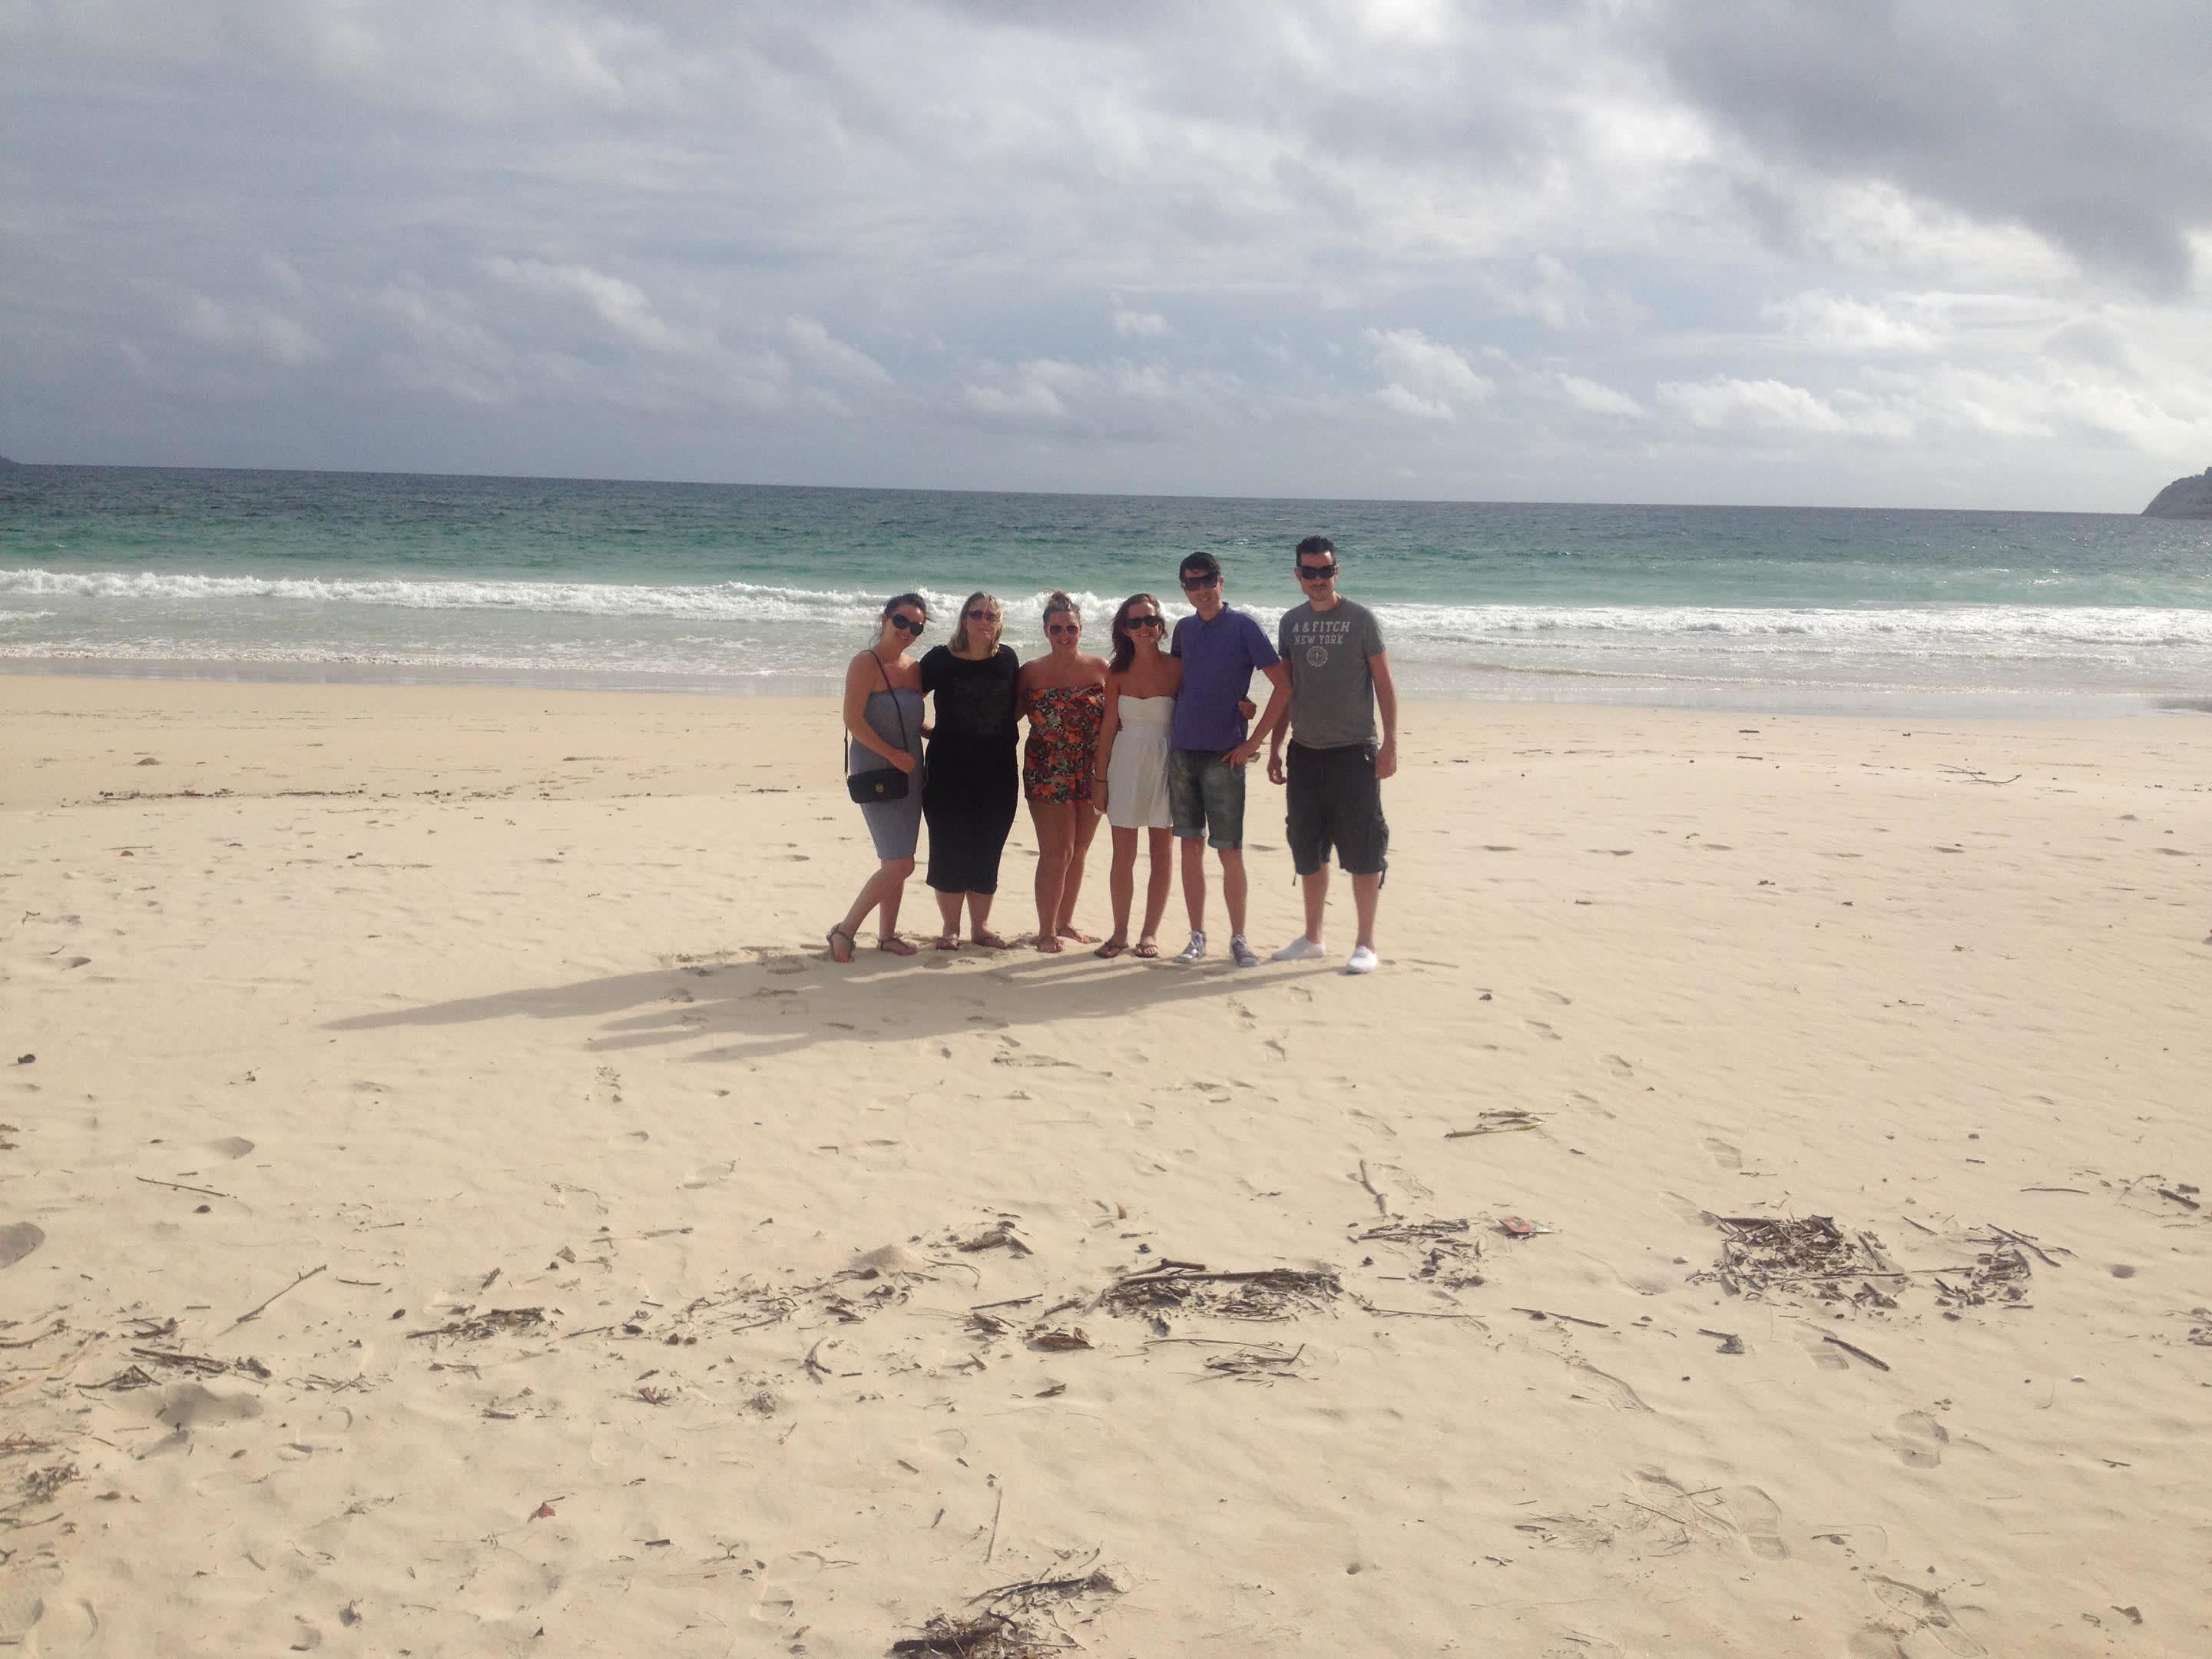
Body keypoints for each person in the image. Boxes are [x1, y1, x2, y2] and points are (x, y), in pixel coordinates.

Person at [1266, 535, 1397, 974]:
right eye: (1309, 572)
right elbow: (1287, 689)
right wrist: (1275, 746)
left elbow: (1383, 683)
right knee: (1307, 845)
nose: (1317, 579)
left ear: (1335, 572)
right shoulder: (1290, 623)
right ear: (1297, 575)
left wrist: (1391, 742)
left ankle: (1365, 943)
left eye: (1325, 571)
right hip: (1305, 752)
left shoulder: (1361, 619)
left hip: (1354, 751)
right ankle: (1313, 937)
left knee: (1364, 846)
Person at [1165, 551, 1290, 967]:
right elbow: (1182, 683)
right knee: (1190, 847)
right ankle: (1196, 937)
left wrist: (1253, 742)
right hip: (1182, 751)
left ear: (1221, 582)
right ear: (1184, 588)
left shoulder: (1244, 627)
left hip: (1225, 755)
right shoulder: (1182, 630)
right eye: (1191, 584)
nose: (1200, 590)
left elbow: (1284, 686)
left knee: (1229, 850)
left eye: (1207, 581)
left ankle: (1239, 938)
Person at [828, 593, 929, 962]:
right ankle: (844, 930)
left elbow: (911, 721)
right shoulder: (865, 663)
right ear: (885, 619)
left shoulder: (915, 668)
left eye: (916, 626)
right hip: (877, 768)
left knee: (900, 857)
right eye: (901, 621)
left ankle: (887, 937)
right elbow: (853, 720)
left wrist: (939, 734)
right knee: (899, 863)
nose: (907, 631)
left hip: (910, 770)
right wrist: (894, 756)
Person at [919, 591, 1021, 949]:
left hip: (999, 770)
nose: (983, 621)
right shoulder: (940, 659)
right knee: (948, 846)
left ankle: (980, 927)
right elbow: (906, 693)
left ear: (999, 622)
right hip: (948, 769)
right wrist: (926, 730)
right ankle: (950, 928)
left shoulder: (1007, 659)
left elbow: (1016, 705)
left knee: (988, 846)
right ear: (964, 619)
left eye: (990, 616)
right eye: (976, 614)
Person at [1018, 591, 1108, 952]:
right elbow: (1003, 717)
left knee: (1080, 850)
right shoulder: (1031, 672)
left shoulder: (1101, 669)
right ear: (1045, 631)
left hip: (1092, 769)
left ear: (1081, 629)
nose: (1064, 635)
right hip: (1046, 768)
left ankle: (1065, 921)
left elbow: (1122, 717)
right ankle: (1045, 931)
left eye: (1070, 628)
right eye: (1056, 629)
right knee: (1057, 852)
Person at [1091, 592, 1180, 958]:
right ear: (1124, 629)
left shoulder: (1178, 667)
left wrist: (1242, 707)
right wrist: (1100, 780)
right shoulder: (1117, 671)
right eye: (1135, 622)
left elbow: (1205, 707)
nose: (1144, 628)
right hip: (1125, 762)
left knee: (1162, 853)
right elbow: (1109, 726)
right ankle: (1119, 932)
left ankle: (1149, 934)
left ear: (1160, 626)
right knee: (1122, 855)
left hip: (1166, 761)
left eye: (1150, 621)